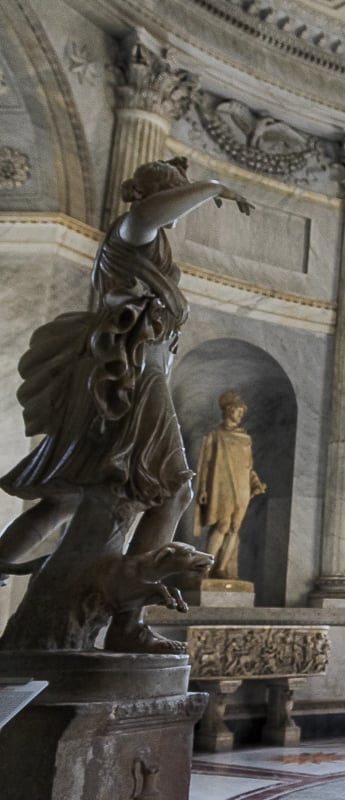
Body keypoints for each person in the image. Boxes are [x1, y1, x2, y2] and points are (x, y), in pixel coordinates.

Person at [0, 157, 252, 651]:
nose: (180, 212)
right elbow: (151, 212)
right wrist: (214, 185)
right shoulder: (131, 232)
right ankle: (127, 625)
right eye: (177, 197)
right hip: (132, 378)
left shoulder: (149, 246)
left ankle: (123, 621)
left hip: (135, 375)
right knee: (172, 491)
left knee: (68, 496)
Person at [193, 390, 267, 579]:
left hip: (242, 488)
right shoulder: (214, 435)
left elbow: (248, 466)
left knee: (235, 527)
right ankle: (205, 567)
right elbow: (205, 464)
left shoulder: (245, 438)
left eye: (242, 411)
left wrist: (255, 483)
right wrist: (202, 488)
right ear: (227, 410)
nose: (240, 414)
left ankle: (222, 568)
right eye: (237, 410)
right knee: (222, 524)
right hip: (221, 486)